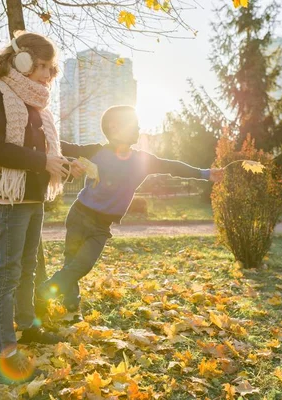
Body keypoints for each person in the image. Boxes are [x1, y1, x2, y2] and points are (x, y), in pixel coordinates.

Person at [0, 31, 100, 379]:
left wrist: (66, 161)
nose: (48, 75)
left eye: (52, 68)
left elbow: (49, 149)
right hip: (12, 197)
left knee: (29, 268)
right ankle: (6, 346)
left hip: (34, 195)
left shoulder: (36, 107)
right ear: (23, 62)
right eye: (43, 67)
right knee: (9, 273)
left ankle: (28, 327)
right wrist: (42, 161)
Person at [37, 105, 224, 318]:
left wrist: (204, 173)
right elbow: (64, 148)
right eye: (133, 124)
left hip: (101, 225)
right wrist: (36, 137)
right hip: (79, 215)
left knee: (83, 264)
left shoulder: (142, 161)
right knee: (72, 261)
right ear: (115, 127)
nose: (138, 127)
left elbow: (172, 167)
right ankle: (72, 306)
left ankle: (47, 289)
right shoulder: (95, 151)